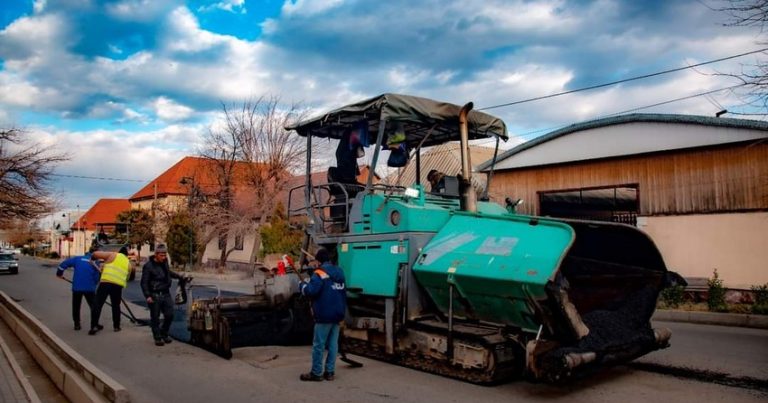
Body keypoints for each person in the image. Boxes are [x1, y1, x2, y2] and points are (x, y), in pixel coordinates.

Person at [299, 248, 347, 381]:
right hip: (337, 313)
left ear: (319, 261)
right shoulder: (339, 271)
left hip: (324, 314)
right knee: (333, 345)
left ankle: (316, 373)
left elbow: (311, 291)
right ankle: (330, 372)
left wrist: (302, 285)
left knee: (319, 345)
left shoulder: (319, 273)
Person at [140, 243, 184, 346]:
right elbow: (144, 282)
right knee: (155, 317)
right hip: (154, 295)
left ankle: (164, 333)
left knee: (170, 315)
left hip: (165, 293)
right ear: (156, 254)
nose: (164, 257)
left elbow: (168, 272)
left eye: (165, 255)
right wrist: (148, 296)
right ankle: (157, 337)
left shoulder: (164, 263)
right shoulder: (148, 266)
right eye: (161, 255)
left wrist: (179, 276)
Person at [88, 246, 134, 335]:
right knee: (116, 306)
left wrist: (92, 258)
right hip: (117, 286)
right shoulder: (128, 264)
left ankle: (94, 326)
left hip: (105, 283)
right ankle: (116, 326)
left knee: (98, 304)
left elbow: (95, 254)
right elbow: (127, 278)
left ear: (119, 252)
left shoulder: (113, 255)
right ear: (126, 255)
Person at [56, 246, 101, 330]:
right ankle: (95, 324)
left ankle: (77, 324)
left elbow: (63, 265)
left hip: (77, 287)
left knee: (76, 306)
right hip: (89, 288)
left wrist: (59, 274)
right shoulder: (95, 262)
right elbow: (96, 277)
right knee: (94, 306)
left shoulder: (77, 259)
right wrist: (94, 283)